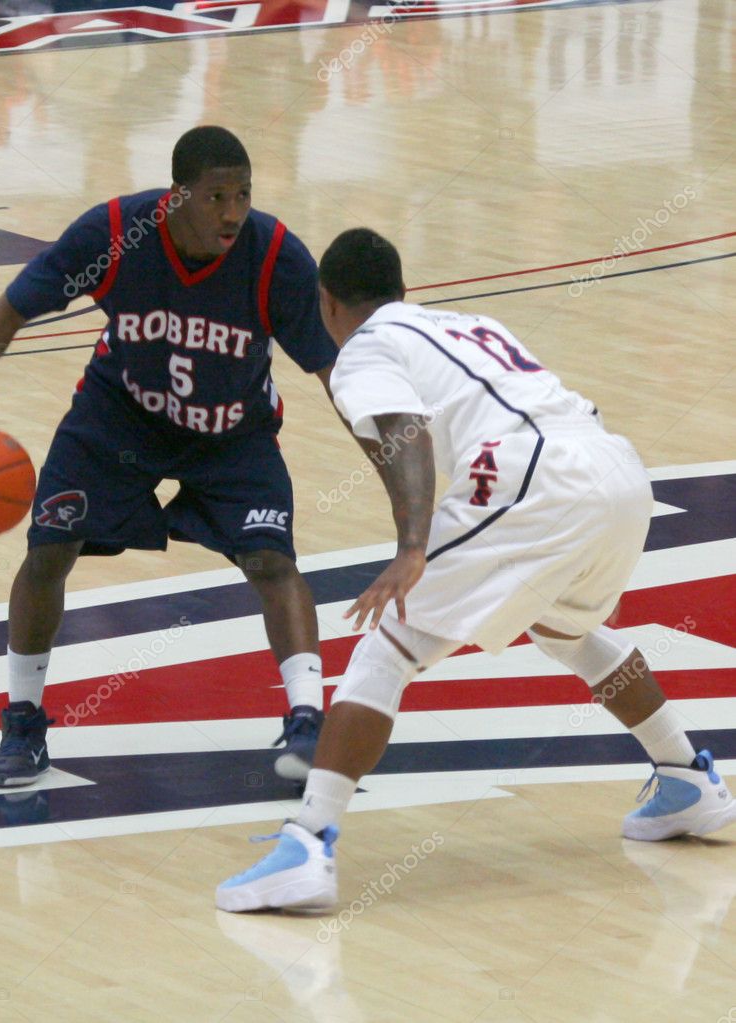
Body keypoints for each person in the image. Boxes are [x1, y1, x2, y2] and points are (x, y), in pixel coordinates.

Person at [216, 227, 736, 912]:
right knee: (564, 630)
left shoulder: (364, 348)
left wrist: (411, 546)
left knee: (389, 645)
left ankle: (307, 846)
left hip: (537, 477)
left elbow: (403, 427)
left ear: (328, 304)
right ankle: (688, 779)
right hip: (617, 468)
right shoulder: (467, 323)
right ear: (404, 291)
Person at [0, 126, 336, 788]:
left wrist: (394, 457)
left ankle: (308, 720)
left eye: (243, 194)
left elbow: (335, 372)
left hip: (232, 433)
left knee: (272, 560)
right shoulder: (114, 234)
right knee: (48, 547)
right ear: (177, 198)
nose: (233, 212)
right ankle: (23, 718)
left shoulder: (275, 255)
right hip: (119, 420)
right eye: (216, 195)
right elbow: (6, 312)